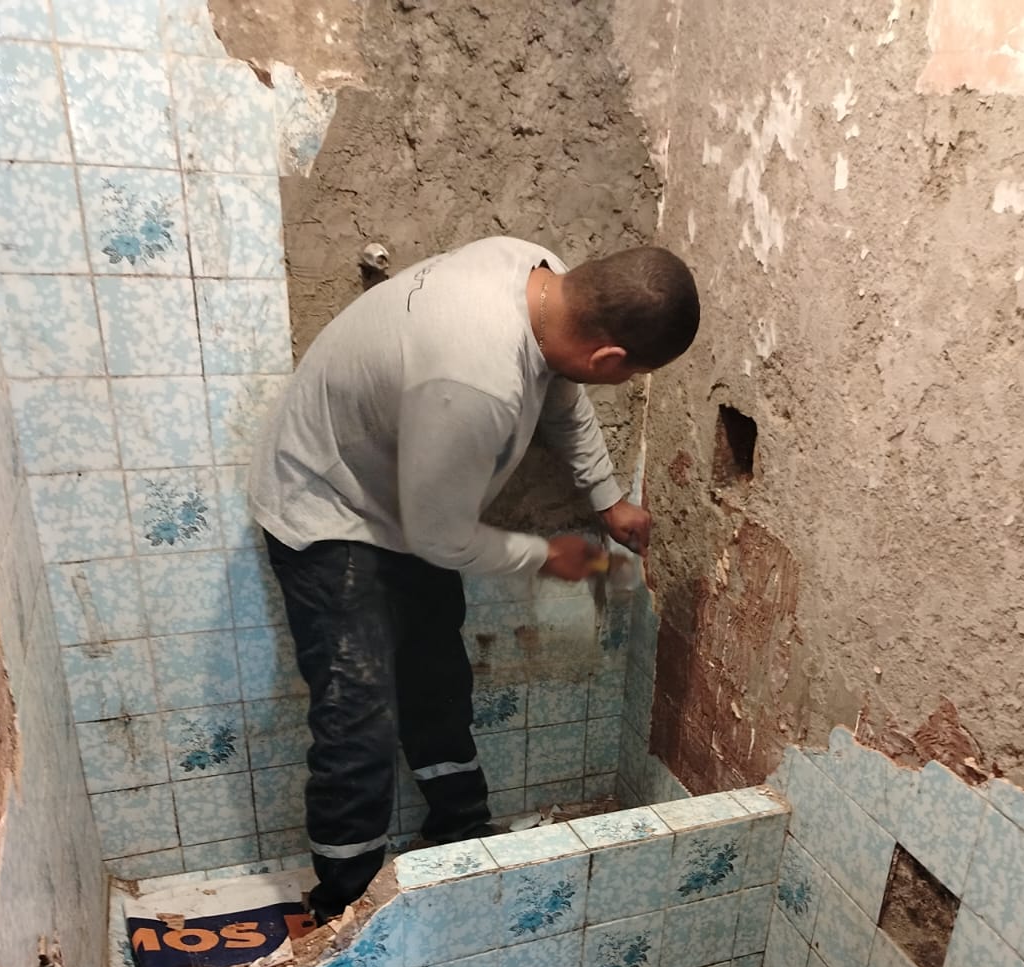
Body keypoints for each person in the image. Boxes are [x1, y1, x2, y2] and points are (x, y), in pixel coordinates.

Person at [248, 236, 699, 923]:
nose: (619, 381)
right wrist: (547, 557)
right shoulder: (477, 380)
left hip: (403, 498)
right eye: (629, 374)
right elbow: (441, 538)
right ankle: (348, 912)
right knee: (358, 716)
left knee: (436, 673)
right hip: (328, 502)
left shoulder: (542, 279)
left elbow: (562, 393)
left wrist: (606, 497)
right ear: (610, 358)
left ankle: (459, 832)